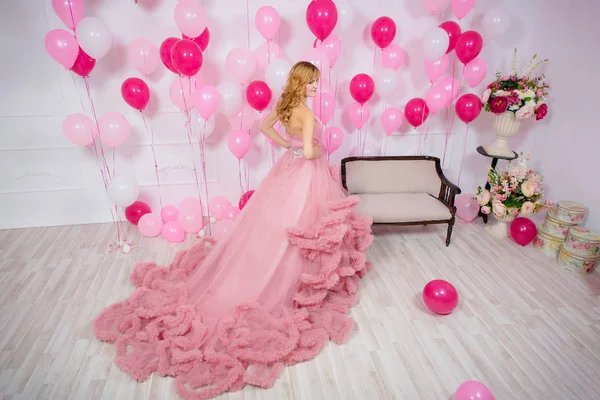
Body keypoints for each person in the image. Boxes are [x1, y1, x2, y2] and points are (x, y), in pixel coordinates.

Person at [93, 61, 373, 400]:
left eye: (317, 82)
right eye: (312, 82)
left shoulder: (286, 107)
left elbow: (268, 127)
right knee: (303, 225)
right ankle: (293, 275)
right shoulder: (309, 116)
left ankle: (277, 266)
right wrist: (308, 148)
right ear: (302, 82)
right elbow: (313, 151)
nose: (316, 87)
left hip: (286, 170)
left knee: (275, 223)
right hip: (305, 173)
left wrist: (290, 147)